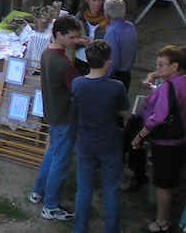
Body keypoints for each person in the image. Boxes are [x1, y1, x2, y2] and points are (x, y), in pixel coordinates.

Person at [132, 45, 186, 233]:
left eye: (161, 65)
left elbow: (157, 117)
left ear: (174, 66)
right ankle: (169, 210)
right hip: (185, 137)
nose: (157, 69)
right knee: (172, 177)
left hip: (166, 142)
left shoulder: (167, 88)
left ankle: (162, 222)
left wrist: (139, 137)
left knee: (162, 184)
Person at [27, 16, 82, 222]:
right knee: (60, 161)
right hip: (65, 117)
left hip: (52, 113)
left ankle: (38, 192)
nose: (75, 41)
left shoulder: (47, 53)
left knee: (51, 154)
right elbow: (78, 89)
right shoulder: (64, 64)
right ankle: (50, 206)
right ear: (59, 35)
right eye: (72, 37)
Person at [71, 39, 128, 233]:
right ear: (107, 62)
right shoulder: (116, 86)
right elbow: (123, 112)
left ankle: (79, 228)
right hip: (109, 142)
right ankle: (110, 229)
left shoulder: (77, 84)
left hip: (85, 142)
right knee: (110, 189)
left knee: (84, 189)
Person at [102, 0, 137, 90]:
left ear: (106, 13)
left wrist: (103, 78)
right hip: (126, 73)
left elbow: (112, 59)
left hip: (115, 76)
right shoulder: (130, 26)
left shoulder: (112, 32)